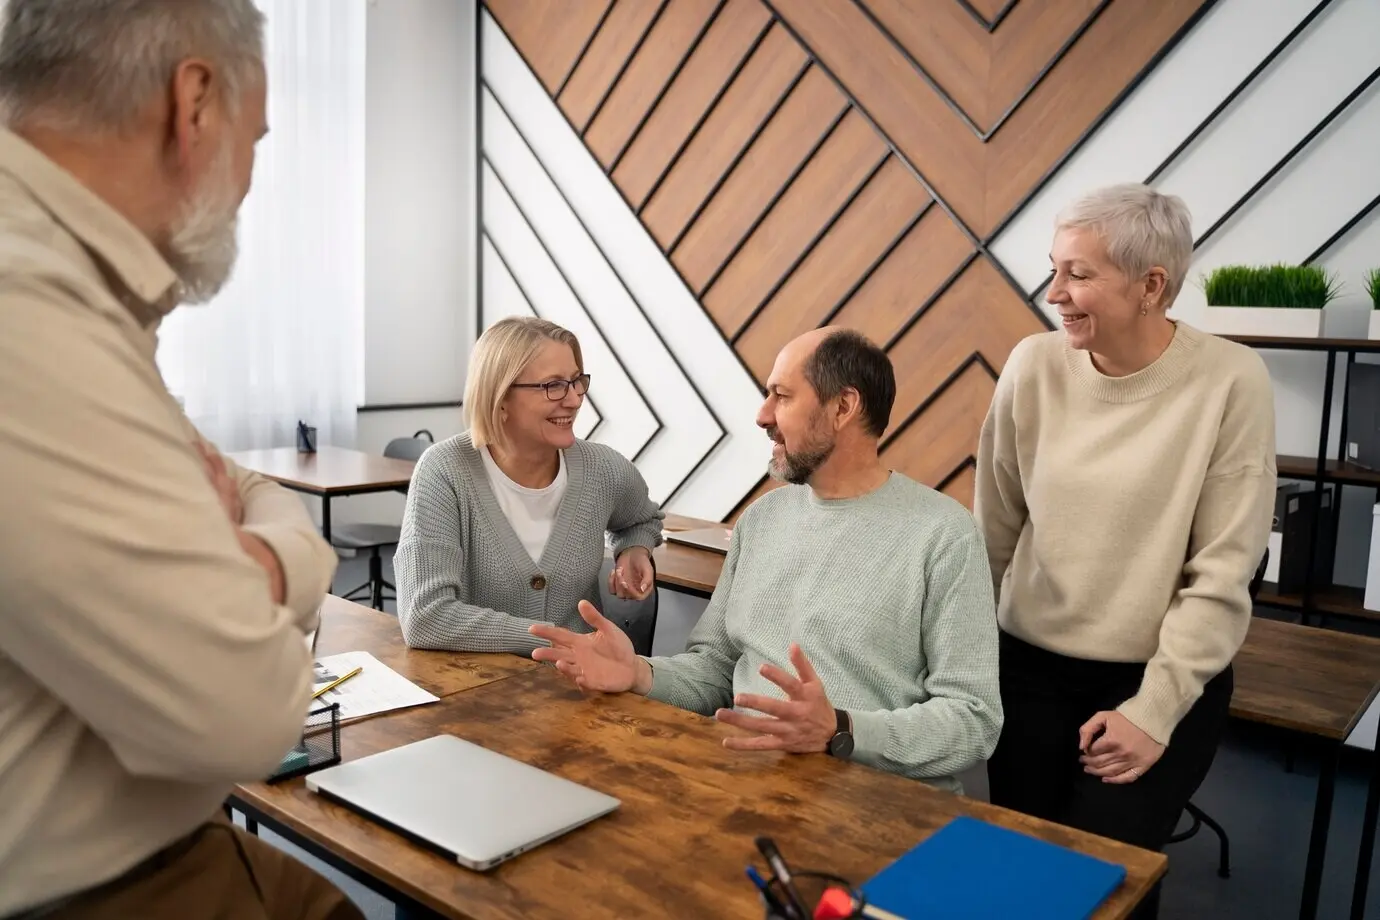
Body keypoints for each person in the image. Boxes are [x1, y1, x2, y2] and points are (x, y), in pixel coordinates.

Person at [0, 2, 364, 918]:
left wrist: (249, 551)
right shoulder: (31, 311)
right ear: (194, 102)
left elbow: (235, 485)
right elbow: (247, 715)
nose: (246, 183)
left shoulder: (76, 293)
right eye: (256, 139)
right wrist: (288, 556)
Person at [530, 328, 1002, 792]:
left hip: (874, 806)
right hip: (745, 785)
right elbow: (716, 669)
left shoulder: (944, 534)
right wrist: (639, 673)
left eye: (782, 396)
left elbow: (974, 720)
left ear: (843, 407)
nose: (762, 416)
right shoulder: (762, 519)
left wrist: (841, 729)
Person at [974, 183, 1275, 899]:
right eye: (1054, 269)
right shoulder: (1033, 366)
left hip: (1155, 676)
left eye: (1079, 274)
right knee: (1016, 878)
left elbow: (1224, 575)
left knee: (1101, 886)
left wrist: (1156, 709)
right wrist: (963, 662)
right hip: (1029, 669)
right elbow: (992, 531)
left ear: (1152, 286)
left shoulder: (1231, 382)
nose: (1055, 293)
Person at [395, 316, 664, 655]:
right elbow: (425, 617)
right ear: (501, 396)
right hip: (474, 689)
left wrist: (634, 550)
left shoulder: (604, 469)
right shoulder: (445, 471)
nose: (574, 400)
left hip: (580, 689)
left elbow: (641, 519)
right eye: (553, 385)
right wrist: (557, 639)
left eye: (576, 381)